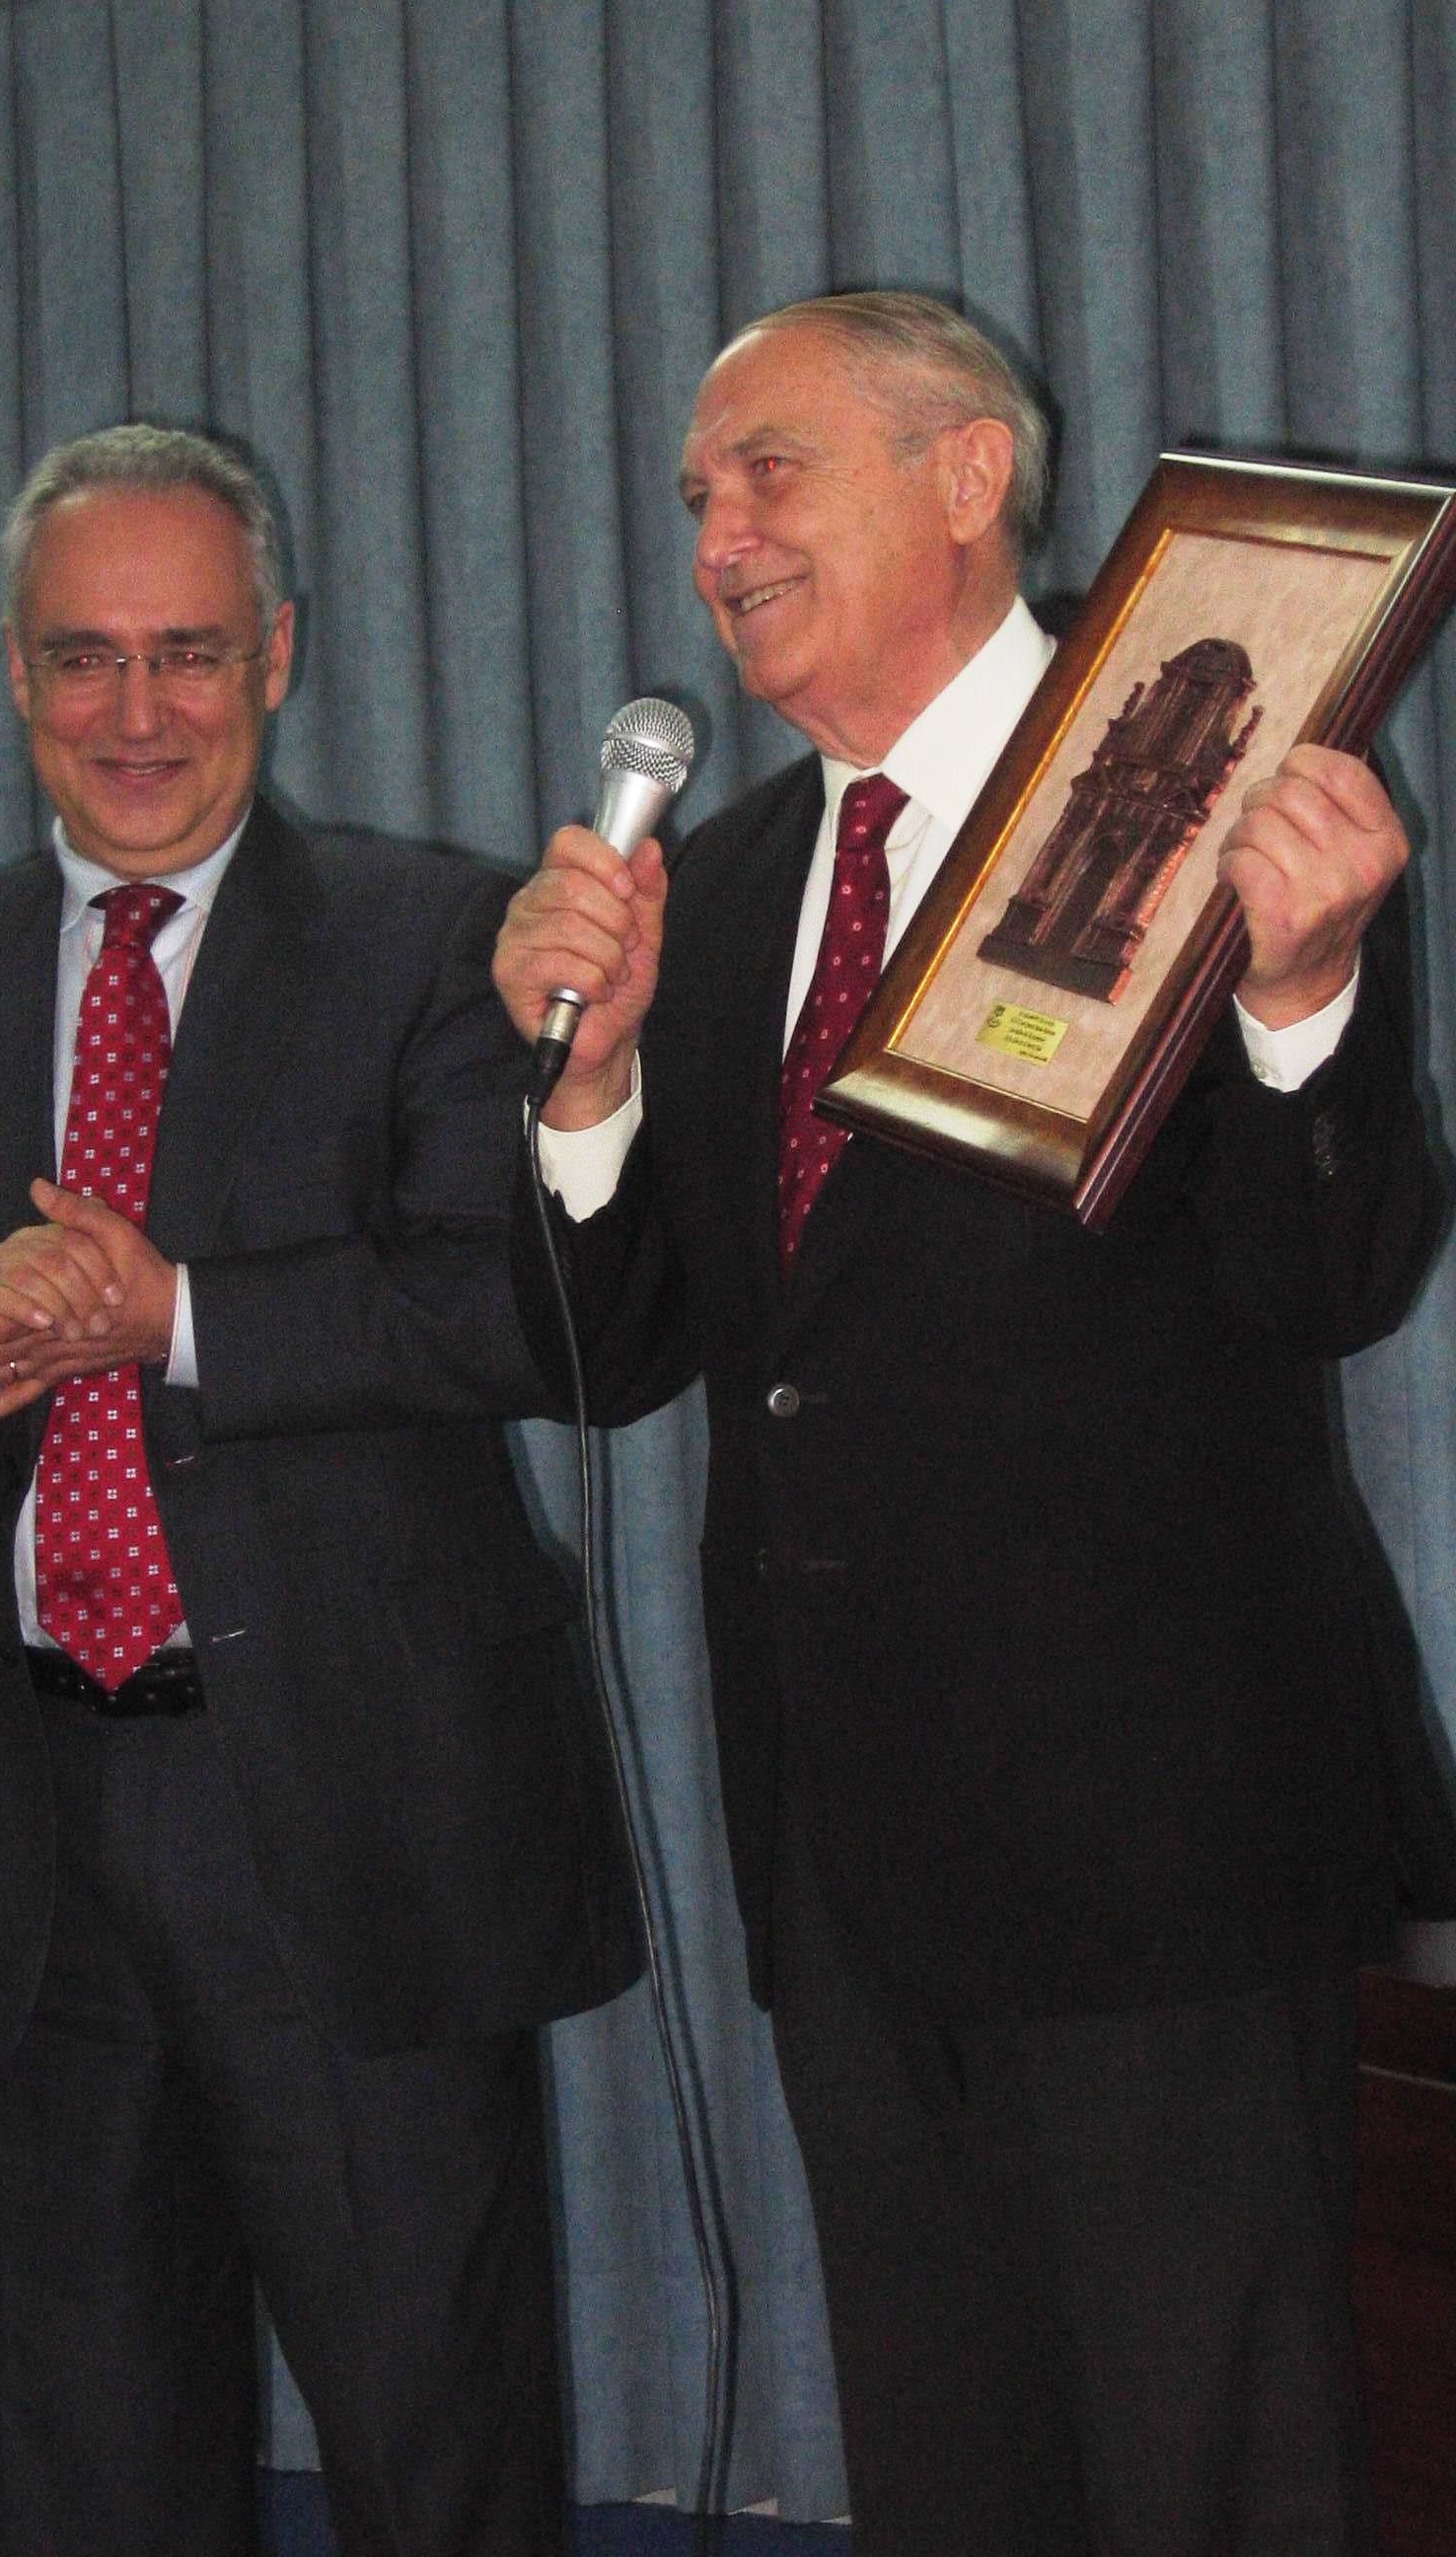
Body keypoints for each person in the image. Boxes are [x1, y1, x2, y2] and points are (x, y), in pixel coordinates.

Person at [493, 292, 1454, 2555]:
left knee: (1213, 2481)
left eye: (769, 473)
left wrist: (1307, 993)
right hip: (845, 1860)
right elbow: (610, 1353)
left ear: (967, 477)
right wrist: (592, 1089)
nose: (717, 540)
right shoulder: (723, 889)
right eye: (696, 498)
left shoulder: (1213, 793)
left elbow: (1332, 1285)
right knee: (952, 2481)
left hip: (1160, 1860)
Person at [0, 421, 639, 2557]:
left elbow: (508, 1317)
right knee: (93, 2477)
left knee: (437, 2460)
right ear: (14, 671)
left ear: (278, 656)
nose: (136, 713)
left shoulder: (436, 940)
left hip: (351, 1819)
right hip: (21, 1831)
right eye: (85, 657)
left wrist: (176, 1316)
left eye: (189, 653)